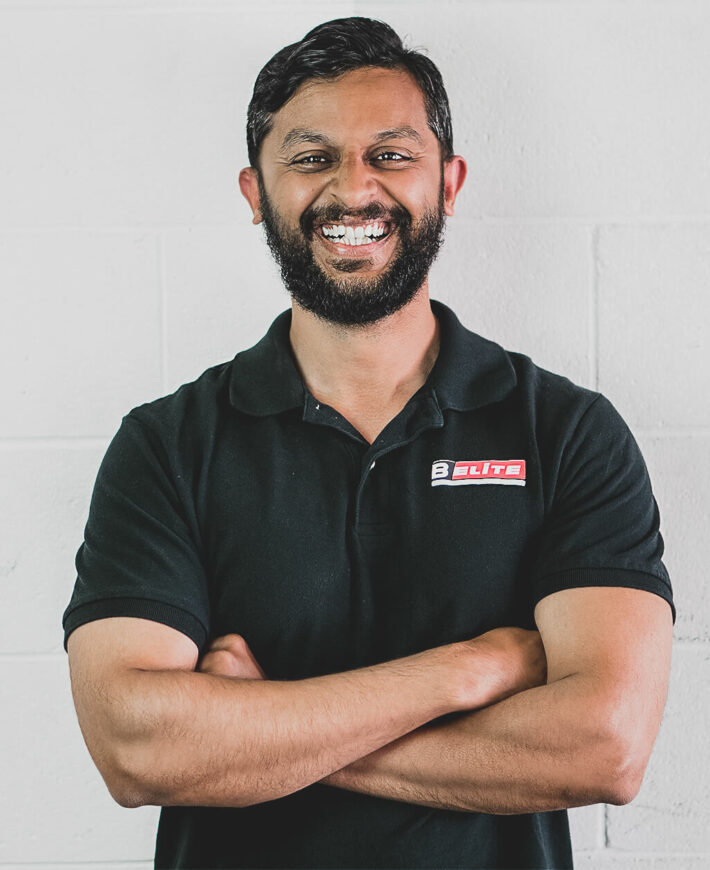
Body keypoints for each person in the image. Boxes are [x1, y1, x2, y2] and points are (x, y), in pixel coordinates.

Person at [62, 16, 675, 870]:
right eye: (312, 158)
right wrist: (462, 673)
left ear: (448, 182)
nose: (354, 189)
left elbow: (604, 748)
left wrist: (265, 729)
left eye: (390, 154)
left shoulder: (566, 433)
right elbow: (137, 749)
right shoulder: (166, 446)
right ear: (254, 192)